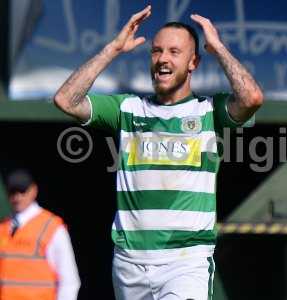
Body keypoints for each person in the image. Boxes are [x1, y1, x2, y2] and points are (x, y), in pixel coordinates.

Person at [54, 5, 263, 300]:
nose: (162, 59)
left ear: (194, 62)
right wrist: (113, 49)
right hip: (129, 263)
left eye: (174, 52)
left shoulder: (208, 111)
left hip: (185, 261)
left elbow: (252, 98)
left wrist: (219, 49)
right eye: (156, 51)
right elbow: (66, 99)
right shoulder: (127, 109)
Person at [0, 169, 81, 300]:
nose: (17, 197)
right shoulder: (3, 227)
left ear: (33, 190)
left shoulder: (52, 227)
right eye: (12, 192)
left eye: (22, 191)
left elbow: (69, 280)